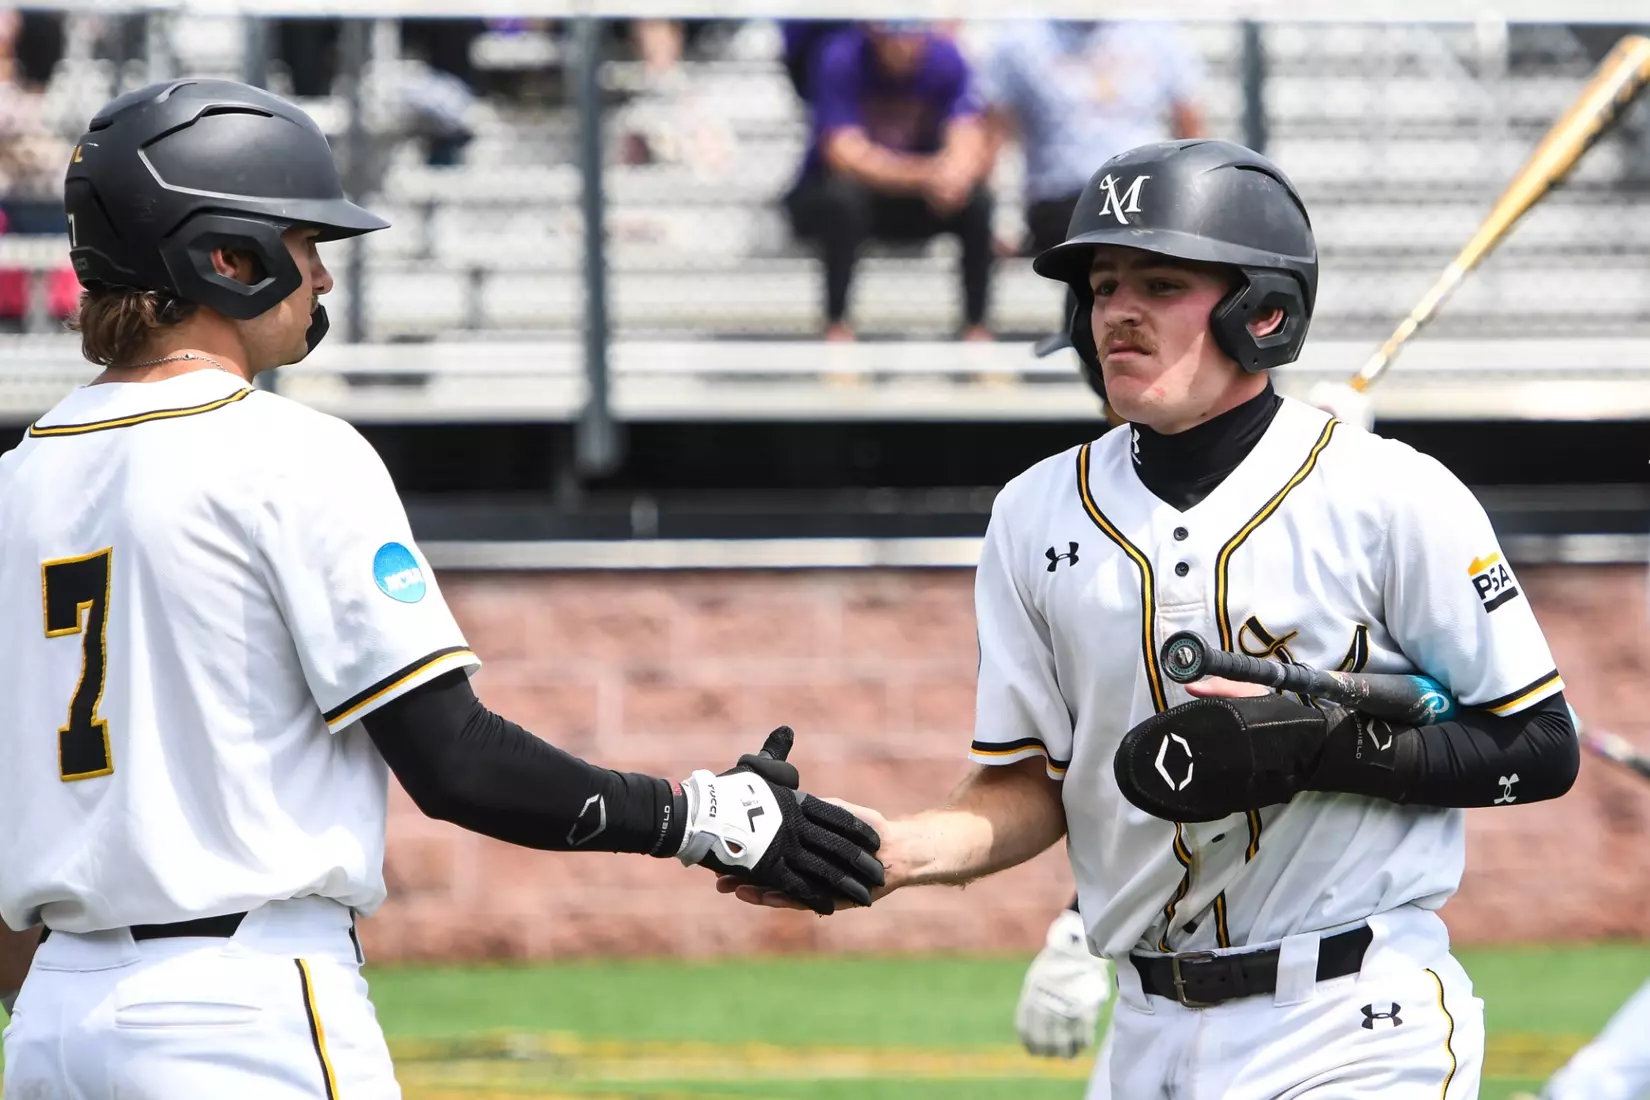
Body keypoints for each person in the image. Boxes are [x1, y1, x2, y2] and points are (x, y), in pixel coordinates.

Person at [0, 79, 883, 1096]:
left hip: (50, 1016)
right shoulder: (287, 451)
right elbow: (453, 758)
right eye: (303, 242)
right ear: (225, 257)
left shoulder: (20, 477)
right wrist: (701, 816)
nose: (323, 275)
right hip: (240, 1005)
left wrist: (68, 1012)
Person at [727, 138, 1581, 1098]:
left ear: (1263, 310)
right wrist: (886, 850)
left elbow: (1541, 746)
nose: (1117, 312)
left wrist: (1325, 749)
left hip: (1352, 1021)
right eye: (1102, 286)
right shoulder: (1033, 514)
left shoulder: (1391, 494)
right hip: (1147, 1035)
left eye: (1161, 283)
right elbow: (1032, 784)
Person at [784, 21, 995, 342]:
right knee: (842, 201)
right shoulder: (841, 56)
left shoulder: (946, 58)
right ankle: (836, 327)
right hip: (849, 196)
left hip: (918, 197)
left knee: (978, 202)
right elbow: (843, 153)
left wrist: (955, 175)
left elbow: (967, 132)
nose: (901, 45)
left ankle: (976, 328)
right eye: (893, 36)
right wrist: (926, 175)